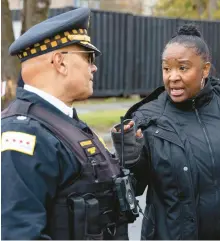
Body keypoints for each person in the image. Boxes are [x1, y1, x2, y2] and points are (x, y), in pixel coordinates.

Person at [112, 24, 220, 240]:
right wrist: (129, 156)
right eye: (166, 69)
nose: (172, 77)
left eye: (183, 68)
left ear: (205, 69)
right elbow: (128, 193)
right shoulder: (146, 119)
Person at [1, 7, 136, 240]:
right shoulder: (23, 132)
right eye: (88, 57)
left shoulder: (64, 122)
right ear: (60, 62)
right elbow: (19, 233)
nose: (93, 67)